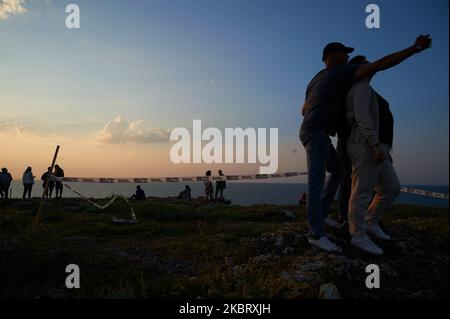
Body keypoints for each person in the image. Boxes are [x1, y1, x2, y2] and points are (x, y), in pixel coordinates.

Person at [299, 35, 432, 253]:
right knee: (315, 183)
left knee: (339, 171)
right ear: (331, 56)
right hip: (317, 133)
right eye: (344, 53)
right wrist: (414, 48)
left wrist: (323, 108)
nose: (348, 56)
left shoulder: (316, 78)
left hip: (315, 131)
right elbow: (381, 64)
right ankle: (316, 233)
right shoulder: (342, 73)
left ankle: (323, 215)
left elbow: (303, 109)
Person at [345, 55, 400, 255]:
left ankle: (370, 221)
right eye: (366, 63)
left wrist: (383, 148)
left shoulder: (368, 89)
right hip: (365, 144)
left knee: (391, 187)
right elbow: (361, 118)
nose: (371, 65)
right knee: (362, 192)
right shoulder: (360, 88)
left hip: (378, 147)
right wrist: (375, 144)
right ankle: (357, 236)